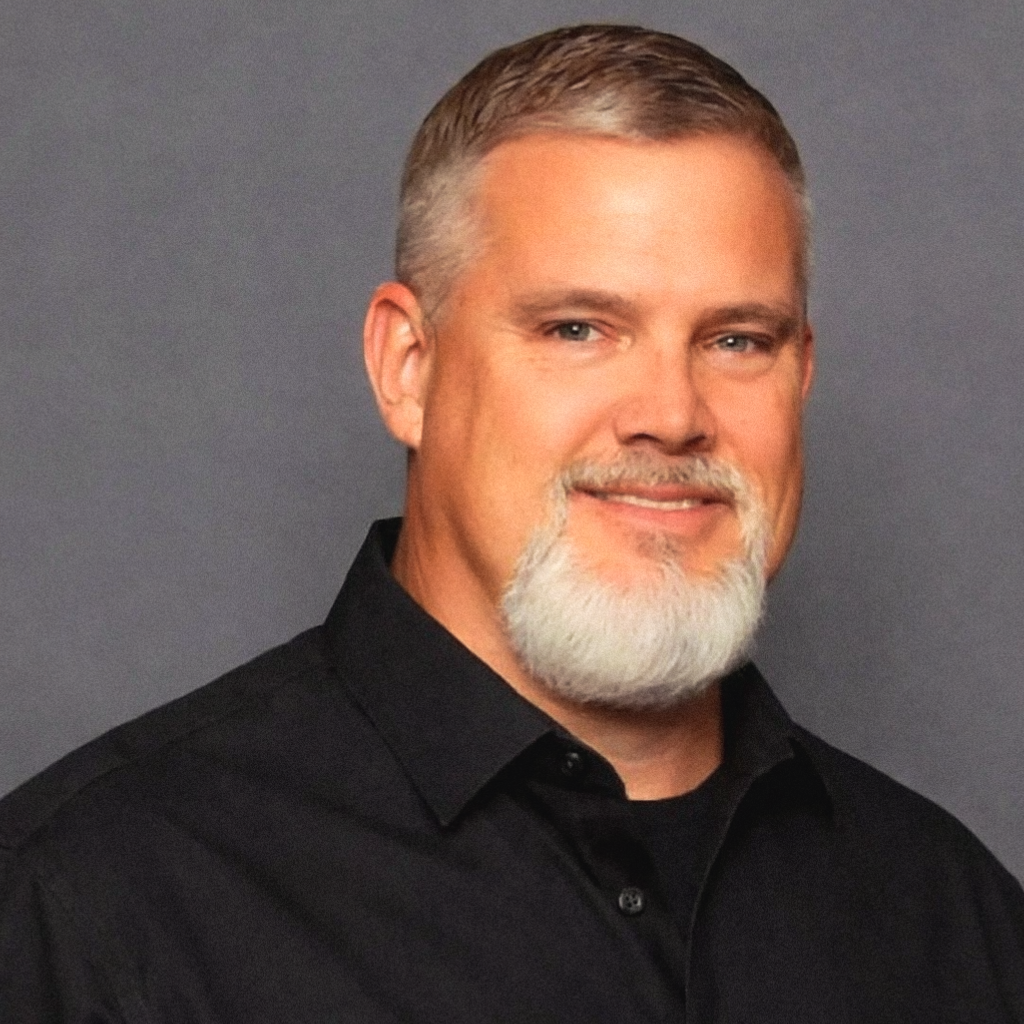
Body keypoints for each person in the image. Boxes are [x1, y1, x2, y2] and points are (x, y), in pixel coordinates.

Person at [1, 23, 1022, 1023]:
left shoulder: (954, 915)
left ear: (801, 373)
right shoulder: (95, 905)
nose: (670, 413)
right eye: (578, 328)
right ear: (408, 366)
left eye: (736, 339)